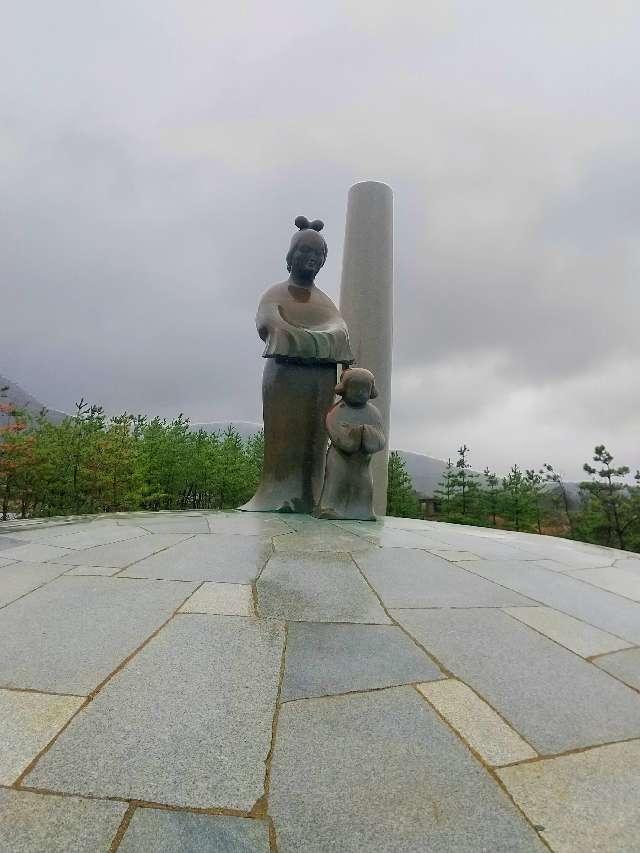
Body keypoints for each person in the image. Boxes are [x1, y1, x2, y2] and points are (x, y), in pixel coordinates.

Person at [240, 216, 353, 513]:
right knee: (282, 437)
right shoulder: (276, 293)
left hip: (320, 380)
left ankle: (309, 496)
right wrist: (313, 342)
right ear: (291, 256)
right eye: (305, 252)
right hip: (284, 378)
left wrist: (300, 339)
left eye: (318, 254)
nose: (311, 258)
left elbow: (341, 333)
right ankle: (276, 494)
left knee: (314, 441)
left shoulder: (325, 302)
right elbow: (268, 322)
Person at [315, 368, 386, 520]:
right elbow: (336, 433)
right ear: (344, 388)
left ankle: (363, 511)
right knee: (336, 482)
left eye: (364, 389)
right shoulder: (336, 411)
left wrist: (367, 433)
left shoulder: (374, 413)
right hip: (339, 459)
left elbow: (380, 437)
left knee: (363, 485)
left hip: (362, 463)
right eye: (355, 388)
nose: (360, 393)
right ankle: (329, 508)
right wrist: (354, 435)